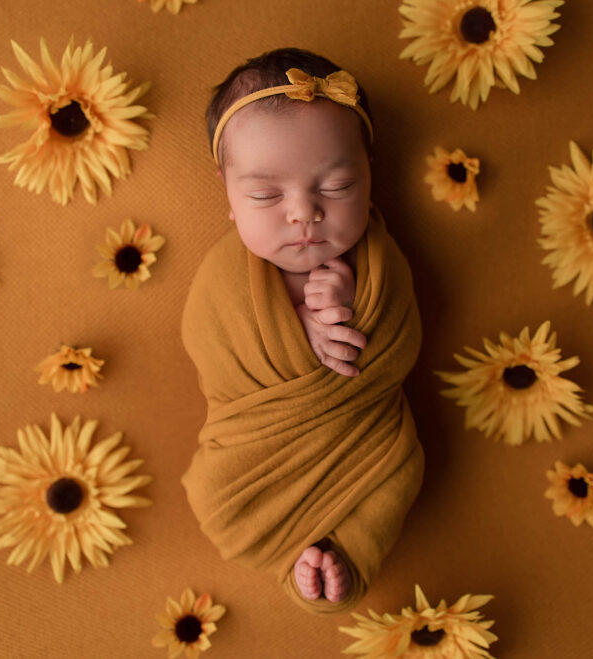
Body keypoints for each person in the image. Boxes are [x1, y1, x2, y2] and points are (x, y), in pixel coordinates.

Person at [181, 48, 423, 613]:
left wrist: (354, 311)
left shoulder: (380, 266)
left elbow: (396, 344)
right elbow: (210, 344)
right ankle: (299, 555)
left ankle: (344, 555)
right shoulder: (224, 277)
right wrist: (299, 332)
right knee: (213, 494)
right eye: (266, 195)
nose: (303, 213)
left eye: (336, 187)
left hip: (364, 438)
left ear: (369, 173)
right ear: (228, 193)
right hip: (257, 450)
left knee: (403, 467)